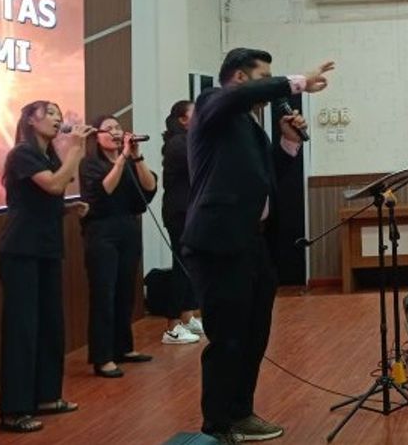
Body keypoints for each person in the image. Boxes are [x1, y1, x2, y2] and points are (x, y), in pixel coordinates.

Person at [183, 48, 333, 442]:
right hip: (217, 245)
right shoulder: (213, 105)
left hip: (252, 243)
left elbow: (266, 177)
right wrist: (298, 80)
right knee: (227, 338)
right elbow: (236, 98)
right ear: (240, 78)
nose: (270, 83)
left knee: (254, 335)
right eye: (263, 75)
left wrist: (286, 143)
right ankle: (217, 426)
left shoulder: (250, 125)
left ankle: (241, 413)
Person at [0, 102, 93, 433]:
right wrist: (77, 150)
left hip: (47, 249)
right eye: (50, 112)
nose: (58, 118)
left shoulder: (47, 155)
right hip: (21, 250)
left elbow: (45, 197)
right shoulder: (21, 153)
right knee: (22, 330)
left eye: (58, 113)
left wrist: (67, 209)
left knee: (51, 324)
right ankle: (13, 410)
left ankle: (46, 396)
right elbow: (53, 185)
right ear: (31, 121)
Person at [79, 115, 157, 378]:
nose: (115, 132)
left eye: (118, 128)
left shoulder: (130, 160)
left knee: (126, 290)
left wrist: (136, 156)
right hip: (101, 232)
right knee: (104, 293)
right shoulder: (90, 164)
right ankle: (102, 357)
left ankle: (124, 348)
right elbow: (105, 190)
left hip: (128, 229)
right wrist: (122, 158)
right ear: (96, 137)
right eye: (109, 128)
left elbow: (149, 188)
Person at [161, 100, 201, 345]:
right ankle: (172, 326)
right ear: (182, 120)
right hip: (179, 212)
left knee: (191, 267)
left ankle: (188, 317)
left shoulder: (188, 140)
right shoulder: (177, 143)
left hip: (190, 212)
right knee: (181, 267)